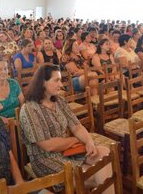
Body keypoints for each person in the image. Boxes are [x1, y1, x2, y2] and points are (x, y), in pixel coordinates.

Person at [20, 64, 114, 193]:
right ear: (43, 82)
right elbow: (47, 145)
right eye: (56, 80)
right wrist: (74, 140)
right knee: (93, 173)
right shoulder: (29, 109)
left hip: (68, 151)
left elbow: (76, 126)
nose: (61, 85)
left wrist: (89, 142)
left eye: (60, 80)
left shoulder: (59, 101)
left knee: (104, 154)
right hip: (45, 158)